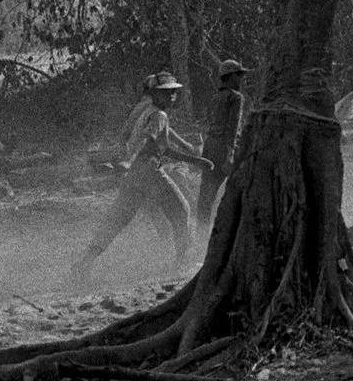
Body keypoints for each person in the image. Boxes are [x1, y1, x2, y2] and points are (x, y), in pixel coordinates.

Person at [73, 71, 211, 283]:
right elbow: (148, 142)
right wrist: (194, 159)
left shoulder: (150, 111)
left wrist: (193, 160)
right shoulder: (158, 115)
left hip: (135, 174)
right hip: (149, 171)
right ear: (155, 94)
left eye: (173, 92)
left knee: (117, 219)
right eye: (167, 93)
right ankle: (181, 264)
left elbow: (160, 147)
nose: (172, 96)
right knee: (181, 211)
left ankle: (84, 262)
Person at [197, 57, 248, 225]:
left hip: (210, 145)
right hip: (223, 148)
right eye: (239, 75)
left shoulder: (215, 97)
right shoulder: (236, 98)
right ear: (231, 76)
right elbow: (233, 128)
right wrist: (230, 155)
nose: (241, 79)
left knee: (206, 196)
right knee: (240, 188)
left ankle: (201, 230)